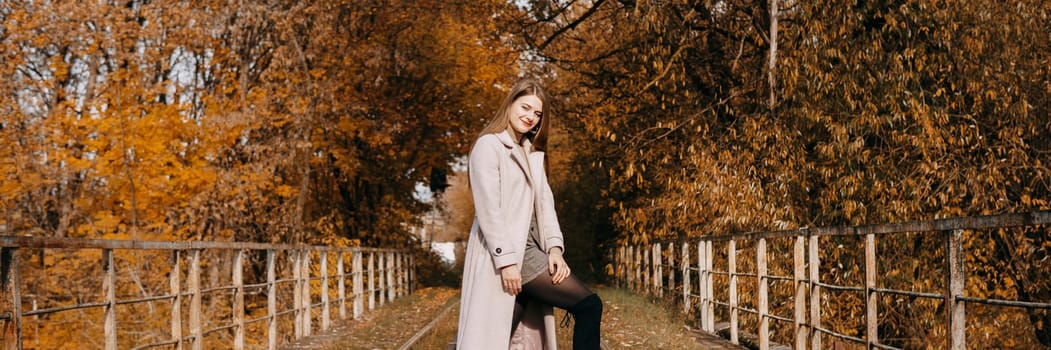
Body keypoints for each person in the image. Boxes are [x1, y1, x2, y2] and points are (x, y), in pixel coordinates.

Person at [456, 78, 603, 350]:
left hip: (533, 250)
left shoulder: (531, 153)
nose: (530, 117)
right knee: (589, 305)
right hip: (512, 253)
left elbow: (546, 207)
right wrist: (507, 262)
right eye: (525, 108)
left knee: (495, 336)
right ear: (510, 104)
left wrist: (555, 249)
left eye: (537, 114)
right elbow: (489, 210)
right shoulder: (489, 146)